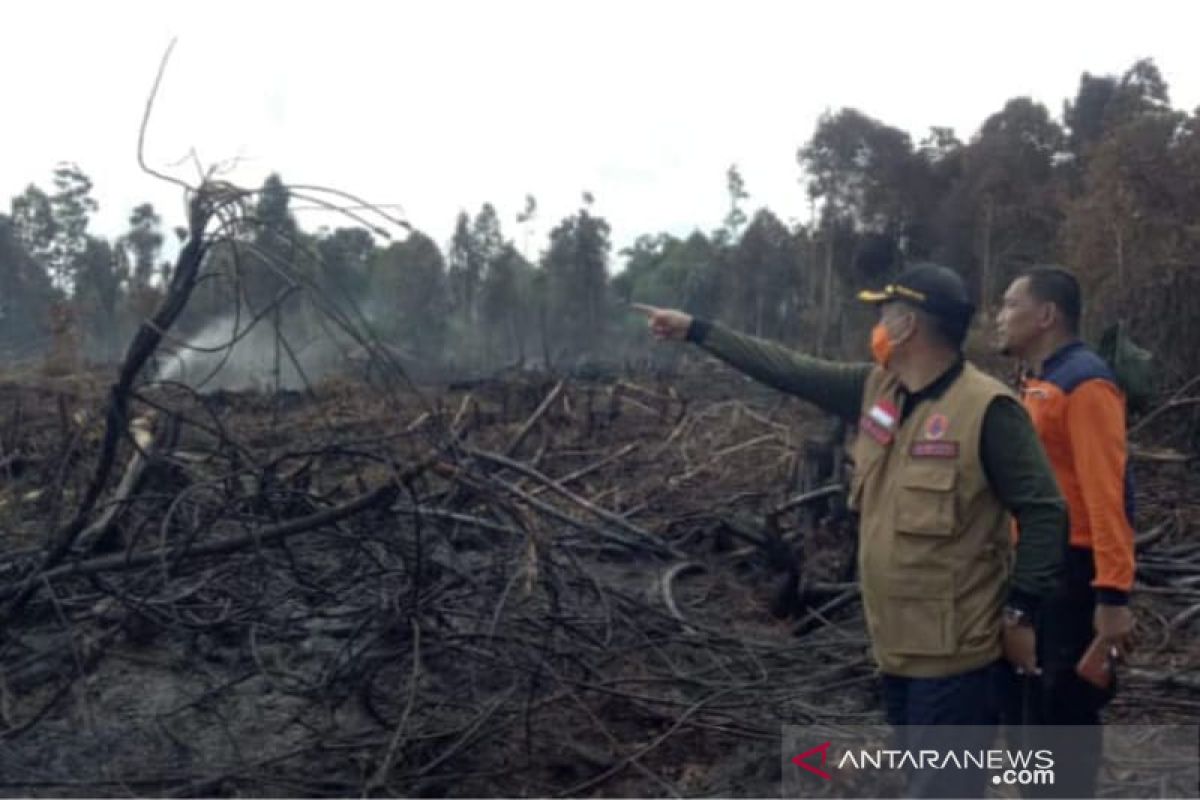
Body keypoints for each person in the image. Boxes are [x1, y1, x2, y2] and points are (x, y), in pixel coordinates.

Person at [634, 263, 1068, 798]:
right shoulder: (875, 390)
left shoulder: (988, 410)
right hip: (894, 648)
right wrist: (697, 329)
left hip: (957, 658)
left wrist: (1021, 612)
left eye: (885, 314)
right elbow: (788, 368)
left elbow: (1046, 511)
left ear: (909, 326)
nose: (878, 325)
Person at [996, 266, 1136, 798]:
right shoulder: (1038, 381)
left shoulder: (1086, 382)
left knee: (1061, 717)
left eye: (1011, 304)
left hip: (1072, 581)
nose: (1001, 316)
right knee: (1024, 713)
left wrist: (1113, 597)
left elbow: (1110, 494)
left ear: (1047, 315)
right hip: (1031, 570)